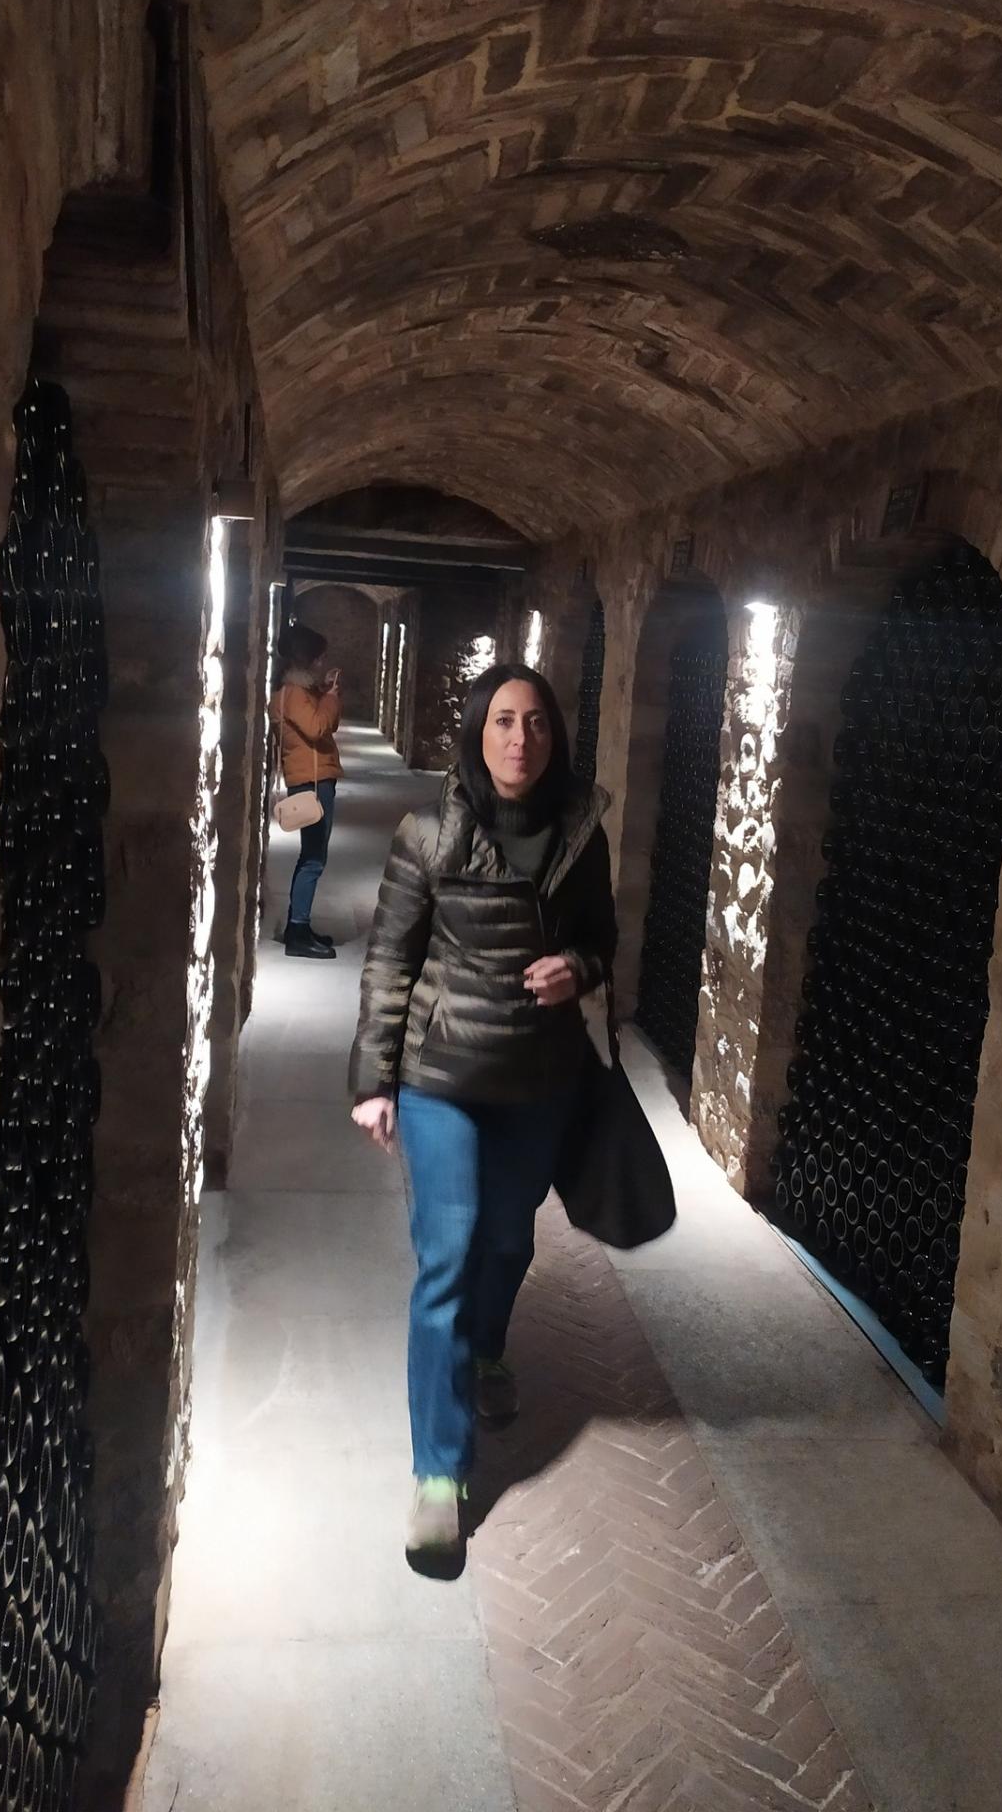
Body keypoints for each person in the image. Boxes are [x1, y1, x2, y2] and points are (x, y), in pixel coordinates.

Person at [349, 663, 617, 1564]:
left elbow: (603, 938)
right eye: (503, 720)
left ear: (554, 737)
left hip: (538, 1079)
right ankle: (438, 1471)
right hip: (444, 1078)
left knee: (506, 1242)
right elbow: (390, 960)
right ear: (476, 730)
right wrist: (374, 1080)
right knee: (449, 1256)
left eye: (536, 722)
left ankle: (489, 1349)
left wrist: (578, 968)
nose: (519, 739)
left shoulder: (579, 834)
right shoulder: (428, 833)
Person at [269, 623, 343, 959]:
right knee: (313, 857)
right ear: (306, 659)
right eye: (318, 658)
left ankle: (300, 924)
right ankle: (298, 930)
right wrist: (330, 698)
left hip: (314, 777)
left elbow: (328, 724)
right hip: (311, 782)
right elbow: (317, 727)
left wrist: (325, 694)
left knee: (313, 855)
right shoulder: (295, 694)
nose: (321, 663)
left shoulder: (299, 693)